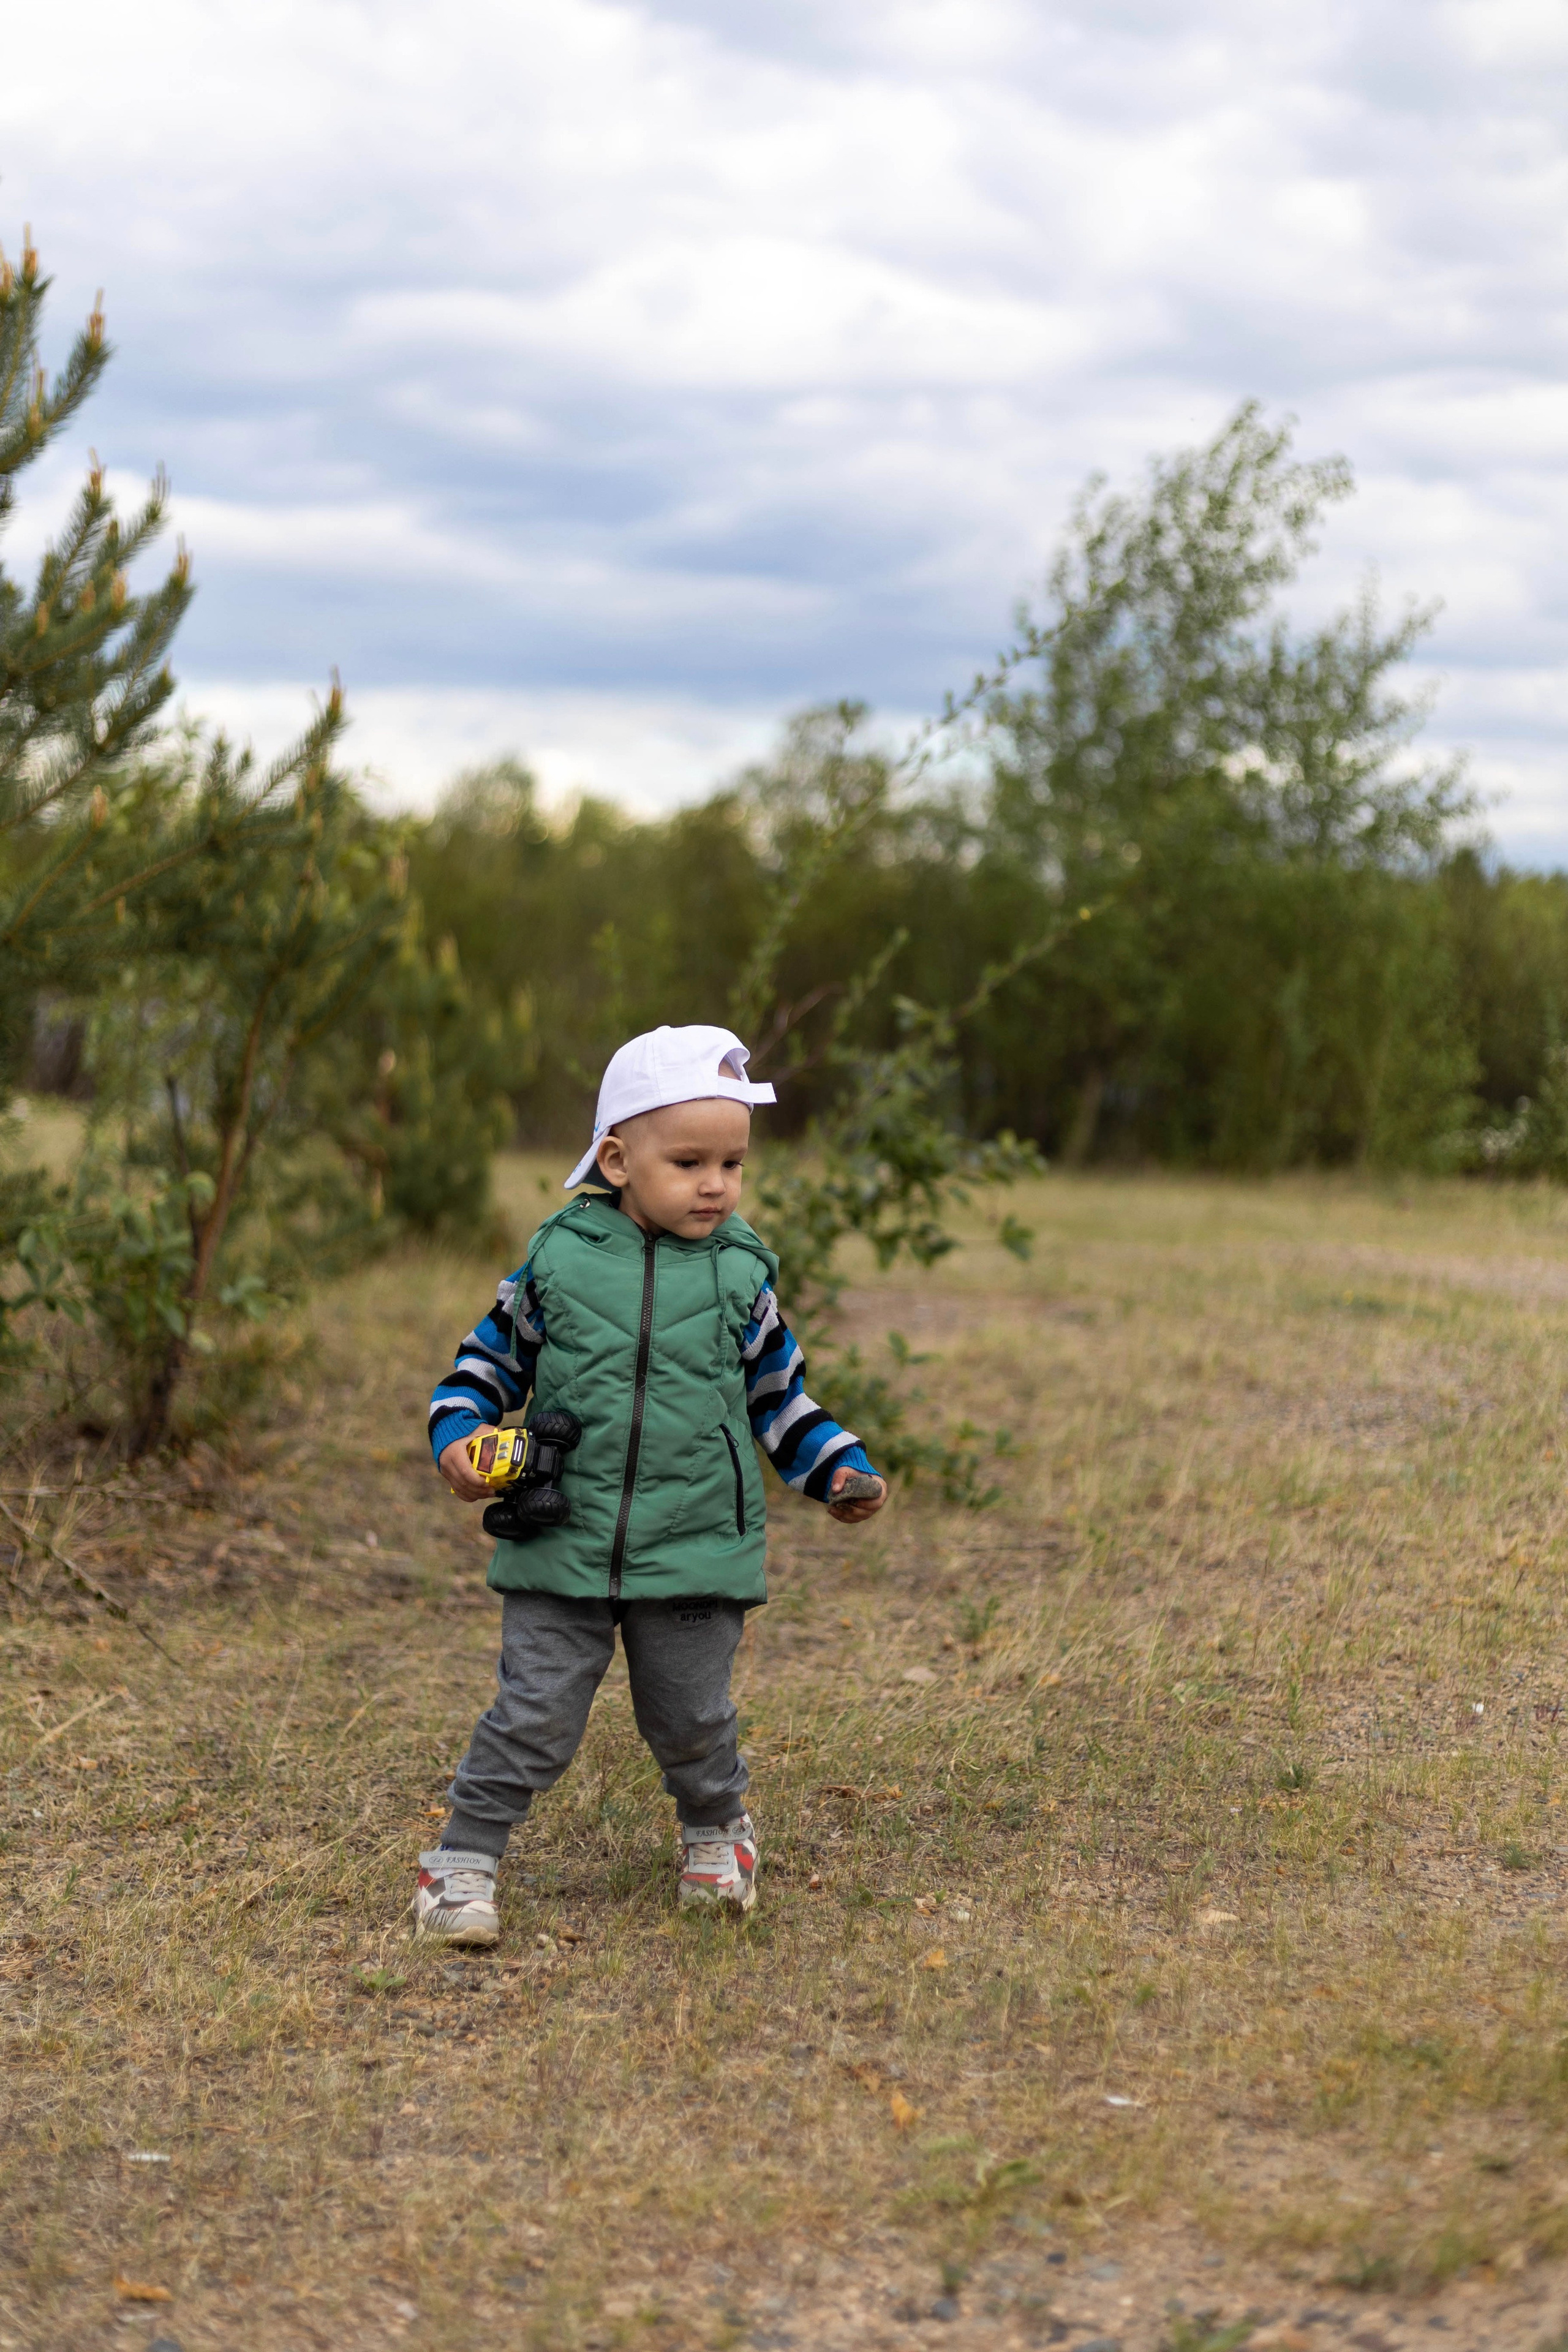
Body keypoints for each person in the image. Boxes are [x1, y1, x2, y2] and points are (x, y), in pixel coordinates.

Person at [413, 1023, 887, 1945]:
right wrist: (459, 1438)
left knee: (690, 1717)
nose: (716, 1183)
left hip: (696, 1540)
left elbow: (779, 1397)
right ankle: (461, 1863)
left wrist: (835, 1467)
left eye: (733, 1162)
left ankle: (718, 1832)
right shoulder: (555, 1263)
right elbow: (481, 1367)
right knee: (533, 1714)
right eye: (689, 1161)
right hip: (562, 1535)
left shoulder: (741, 1276)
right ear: (618, 1158)